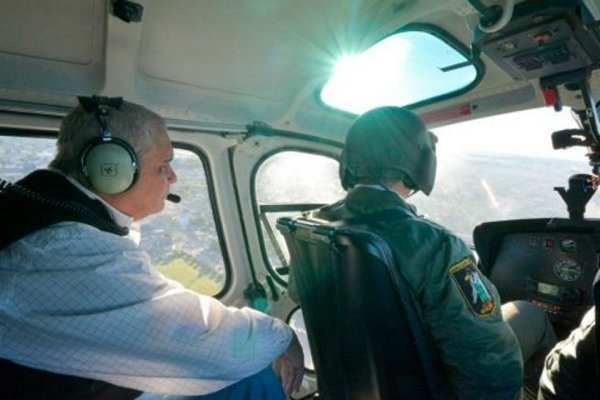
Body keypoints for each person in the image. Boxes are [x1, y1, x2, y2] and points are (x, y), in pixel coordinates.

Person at [0, 96, 303, 399]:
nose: (173, 177)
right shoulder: (61, 247)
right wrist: (281, 334)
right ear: (111, 169)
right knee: (254, 379)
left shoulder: (49, 213)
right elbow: (189, 332)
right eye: (163, 165)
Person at [294, 106, 526, 399]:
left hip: (352, 387)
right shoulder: (437, 246)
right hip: (424, 389)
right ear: (419, 161)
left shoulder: (311, 225)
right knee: (531, 315)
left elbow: (297, 292)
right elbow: (485, 357)